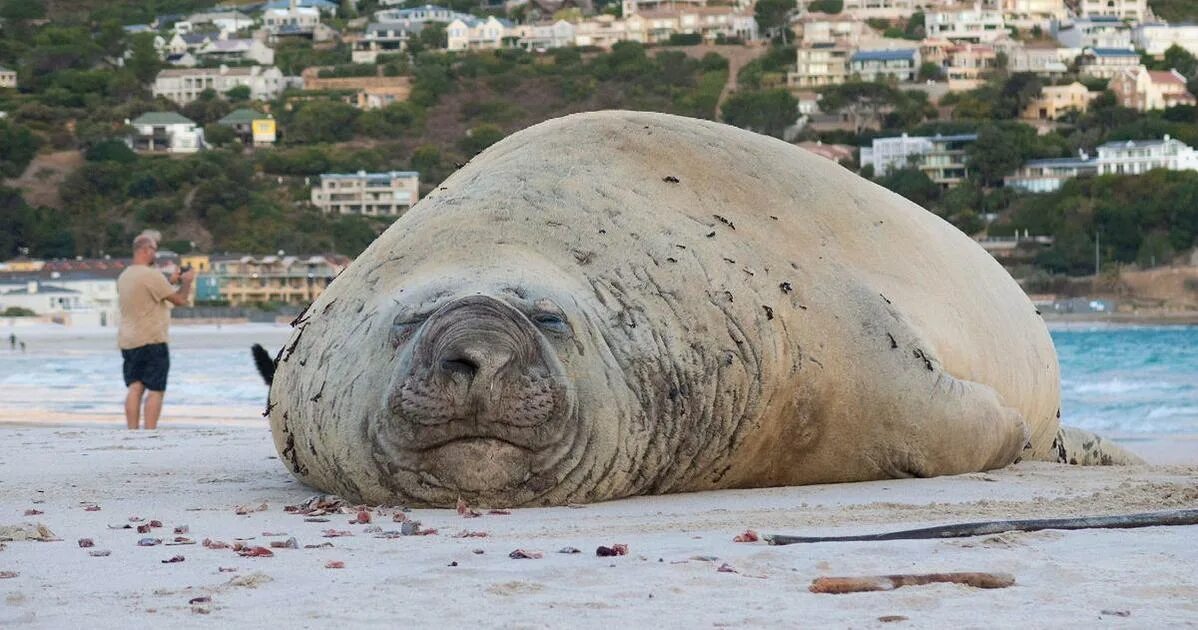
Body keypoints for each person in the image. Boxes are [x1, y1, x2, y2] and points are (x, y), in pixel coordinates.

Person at [116, 232, 195, 430]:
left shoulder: (124, 276)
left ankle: (132, 431)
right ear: (144, 250)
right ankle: (150, 431)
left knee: (135, 387)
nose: (155, 255)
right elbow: (180, 300)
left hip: (128, 340)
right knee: (155, 390)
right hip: (152, 339)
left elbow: (151, 293)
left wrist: (172, 281)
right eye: (153, 250)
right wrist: (187, 281)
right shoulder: (151, 275)